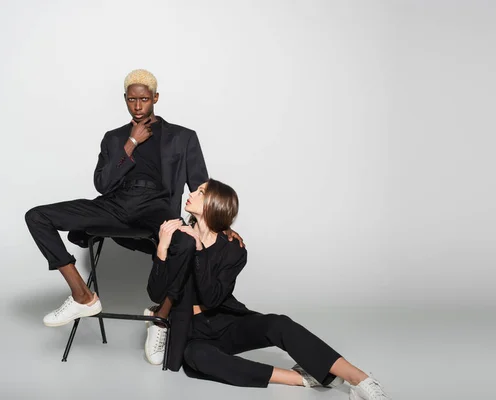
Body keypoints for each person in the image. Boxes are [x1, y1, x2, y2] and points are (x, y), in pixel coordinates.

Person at [24, 70, 242, 364]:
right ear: (125, 100)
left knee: (186, 246)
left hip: (157, 211)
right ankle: (82, 296)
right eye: (132, 100)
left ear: (155, 98)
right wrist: (131, 143)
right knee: (37, 217)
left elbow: (202, 187)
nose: (137, 106)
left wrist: (220, 225)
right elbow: (102, 184)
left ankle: (160, 318)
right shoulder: (114, 138)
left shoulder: (183, 137)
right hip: (113, 205)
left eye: (143, 99)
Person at [147, 179, 391, 400]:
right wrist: (162, 249)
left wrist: (200, 251)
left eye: (201, 191)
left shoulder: (233, 249)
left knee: (278, 324)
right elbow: (156, 294)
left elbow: (212, 298)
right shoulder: (178, 236)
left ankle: (361, 380)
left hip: (225, 322)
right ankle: (302, 378)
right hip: (192, 331)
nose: (193, 192)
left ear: (214, 204)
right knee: (197, 358)